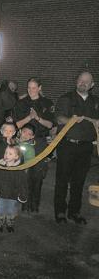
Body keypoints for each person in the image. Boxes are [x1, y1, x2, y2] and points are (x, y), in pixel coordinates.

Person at [54, 71, 99, 224]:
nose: (83, 83)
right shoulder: (66, 98)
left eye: (86, 81)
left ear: (92, 85)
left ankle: (74, 212)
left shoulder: (95, 102)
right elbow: (59, 118)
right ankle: (60, 211)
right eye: (81, 80)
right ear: (76, 82)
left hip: (86, 147)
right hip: (67, 145)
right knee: (62, 179)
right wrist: (71, 120)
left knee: (79, 181)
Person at [0, 145, 28, 233]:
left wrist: (23, 194)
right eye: (6, 153)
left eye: (10, 154)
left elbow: (23, 183)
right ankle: (0, 222)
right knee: (0, 208)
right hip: (1, 192)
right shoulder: (0, 166)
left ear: (16, 157)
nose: (6, 155)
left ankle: (9, 222)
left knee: (11, 209)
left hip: (13, 194)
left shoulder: (19, 169)